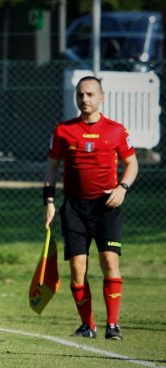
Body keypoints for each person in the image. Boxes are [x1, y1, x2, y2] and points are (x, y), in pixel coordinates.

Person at [43, 76, 138, 341]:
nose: (84, 99)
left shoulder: (116, 130)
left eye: (90, 94)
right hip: (73, 207)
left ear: (101, 97)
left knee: (109, 261)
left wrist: (122, 188)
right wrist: (49, 202)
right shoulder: (63, 130)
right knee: (77, 269)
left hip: (106, 205)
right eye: (80, 95)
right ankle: (88, 325)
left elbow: (132, 164)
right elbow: (52, 167)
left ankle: (113, 325)